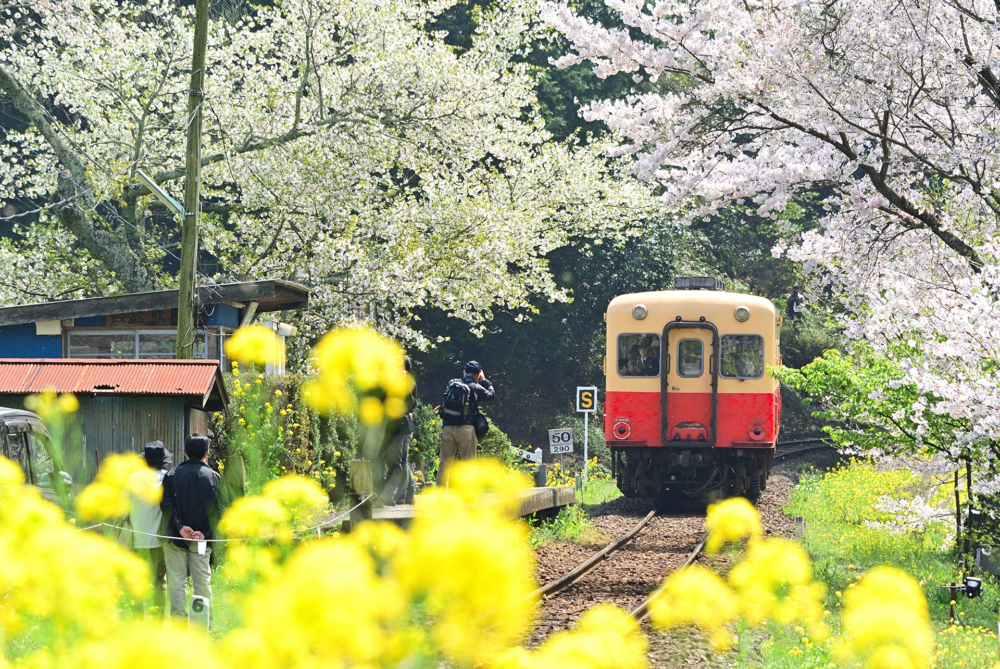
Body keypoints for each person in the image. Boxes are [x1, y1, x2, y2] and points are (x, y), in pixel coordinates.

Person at [160, 433, 229, 621]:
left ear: (184, 452)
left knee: (175, 582)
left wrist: (181, 527)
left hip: (175, 537)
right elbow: (221, 510)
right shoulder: (215, 477)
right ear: (207, 454)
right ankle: (204, 622)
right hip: (202, 541)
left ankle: (179, 623)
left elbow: (166, 505)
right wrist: (203, 532)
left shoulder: (172, 475)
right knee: (202, 582)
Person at [127, 441, 172, 619]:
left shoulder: (133, 478)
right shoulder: (167, 478)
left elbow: (123, 508)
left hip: (136, 539)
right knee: (159, 581)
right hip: (160, 541)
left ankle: (137, 617)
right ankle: (158, 619)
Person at [437, 360, 495, 485]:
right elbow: (491, 395)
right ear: (478, 375)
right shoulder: (476, 387)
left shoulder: (452, 383)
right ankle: (467, 499)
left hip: (448, 428)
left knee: (444, 467)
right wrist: (484, 381)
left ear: (464, 372)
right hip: (466, 429)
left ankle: (440, 497)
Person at [382, 356, 417, 506]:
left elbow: (411, 403)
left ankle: (401, 494)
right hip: (405, 425)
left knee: (398, 463)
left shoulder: (406, 383)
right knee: (403, 461)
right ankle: (408, 494)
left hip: (401, 426)